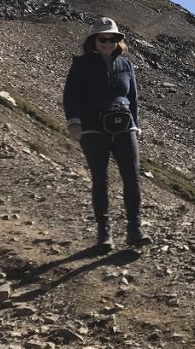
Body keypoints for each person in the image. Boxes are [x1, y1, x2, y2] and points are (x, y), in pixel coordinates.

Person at [63, 17, 153, 250]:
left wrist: (137, 123)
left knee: (132, 178)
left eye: (113, 39)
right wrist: (74, 123)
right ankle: (104, 233)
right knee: (100, 180)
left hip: (124, 127)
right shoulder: (82, 65)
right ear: (94, 40)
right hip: (93, 128)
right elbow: (71, 95)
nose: (108, 43)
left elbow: (133, 97)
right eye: (103, 39)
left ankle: (135, 228)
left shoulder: (126, 64)